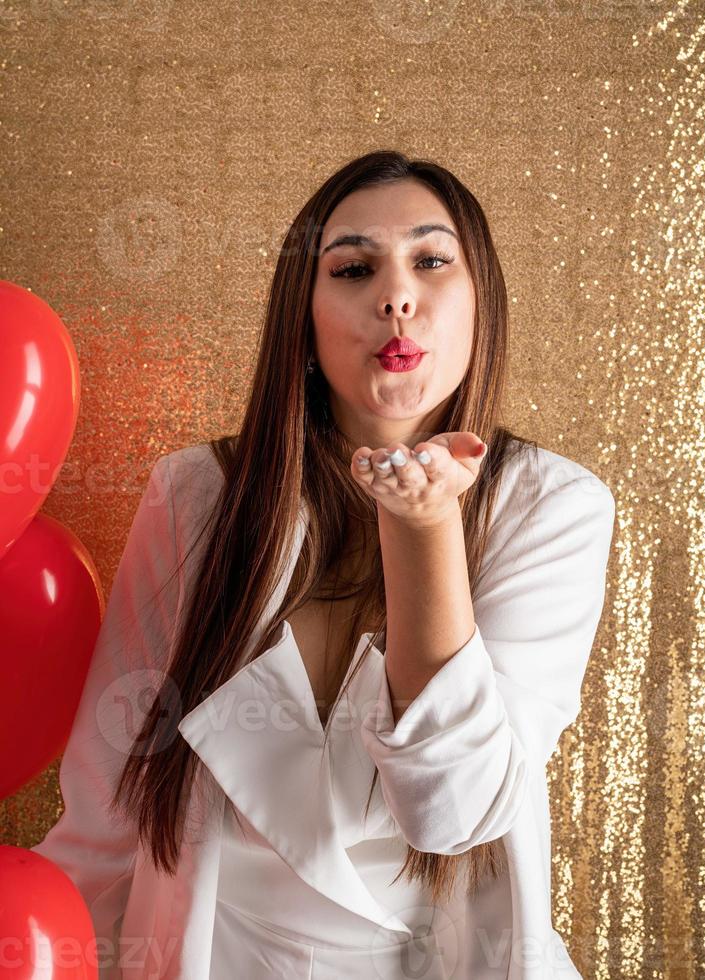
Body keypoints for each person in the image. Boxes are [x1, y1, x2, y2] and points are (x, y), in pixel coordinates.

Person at [31, 150, 616, 979]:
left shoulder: (553, 507)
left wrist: (424, 524)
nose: (396, 296)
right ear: (301, 322)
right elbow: (105, 806)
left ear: (480, 301)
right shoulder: (197, 494)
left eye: (431, 260)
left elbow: (454, 810)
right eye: (353, 268)